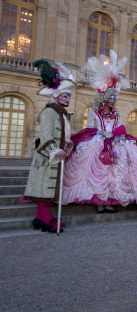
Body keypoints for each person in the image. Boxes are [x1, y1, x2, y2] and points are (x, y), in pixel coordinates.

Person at [63, 50, 137, 213]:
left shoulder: (116, 113)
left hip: (115, 142)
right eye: (111, 98)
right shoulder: (94, 112)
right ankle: (99, 202)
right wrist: (101, 134)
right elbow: (90, 128)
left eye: (114, 99)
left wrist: (119, 136)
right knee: (99, 171)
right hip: (99, 141)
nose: (113, 101)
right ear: (104, 98)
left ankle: (111, 200)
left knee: (116, 171)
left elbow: (119, 126)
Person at [23, 60, 76, 233]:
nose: (67, 99)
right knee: (44, 188)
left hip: (55, 156)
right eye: (65, 96)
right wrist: (55, 150)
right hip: (46, 157)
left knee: (48, 188)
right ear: (55, 96)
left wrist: (67, 144)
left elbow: (61, 135)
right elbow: (45, 134)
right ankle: (44, 218)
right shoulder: (49, 112)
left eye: (69, 96)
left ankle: (40, 218)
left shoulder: (60, 114)